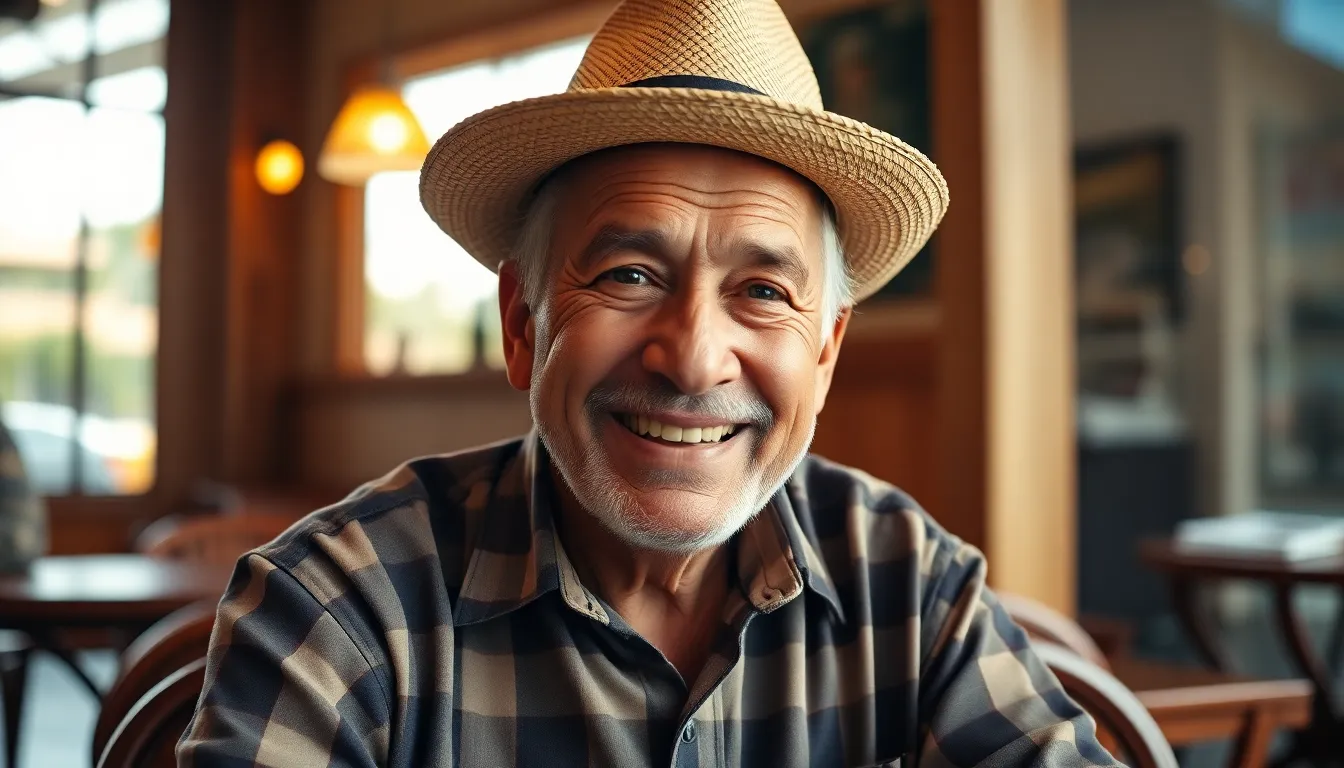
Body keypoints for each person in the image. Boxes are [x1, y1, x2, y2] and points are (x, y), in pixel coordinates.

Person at [180, 0, 1119, 765]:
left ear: (824, 354)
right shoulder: (343, 608)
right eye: (630, 276)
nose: (693, 356)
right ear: (523, 324)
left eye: (761, 291)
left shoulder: (909, 586)